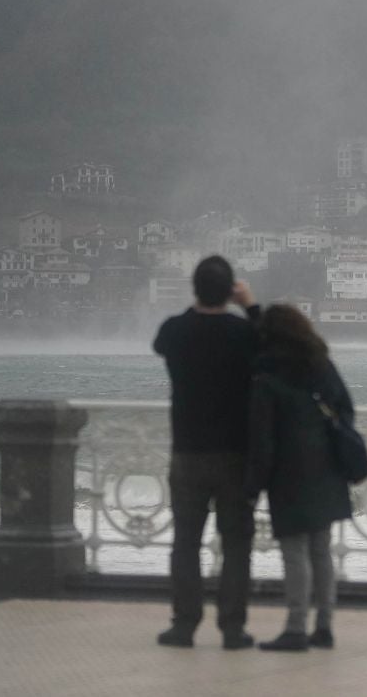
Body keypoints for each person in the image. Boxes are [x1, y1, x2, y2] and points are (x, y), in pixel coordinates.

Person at [152, 255, 261, 650]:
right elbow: (273, 348)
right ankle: (232, 628)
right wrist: (248, 305)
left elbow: (161, 342)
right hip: (235, 454)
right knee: (235, 544)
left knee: (185, 543)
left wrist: (198, 305)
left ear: (194, 289)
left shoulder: (176, 331)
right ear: (230, 291)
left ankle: (184, 624)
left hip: (188, 453)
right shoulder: (242, 333)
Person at [244, 304, 355, 652]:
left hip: (288, 474)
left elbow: (262, 440)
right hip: (326, 468)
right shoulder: (320, 363)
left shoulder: (267, 375)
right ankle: (324, 626)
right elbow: (346, 409)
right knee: (321, 550)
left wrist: (253, 487)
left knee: (295, 552)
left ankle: (295, 628)